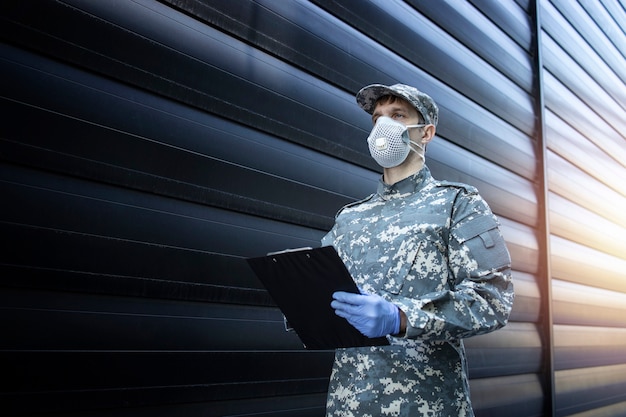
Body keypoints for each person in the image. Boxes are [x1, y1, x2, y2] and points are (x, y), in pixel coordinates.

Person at [321, 83, 515, 416]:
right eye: (378, 118)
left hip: (427, 404)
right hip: (349, 403)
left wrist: (401, 317)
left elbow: (492, 300)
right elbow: (325, 300)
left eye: (397, 116)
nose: (384, 127)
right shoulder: (349, 218)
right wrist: (294, 282)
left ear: (426, 133)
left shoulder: (458, 204)